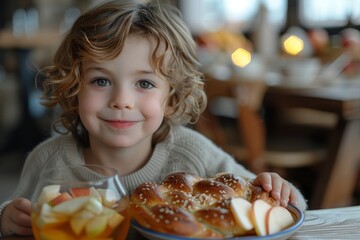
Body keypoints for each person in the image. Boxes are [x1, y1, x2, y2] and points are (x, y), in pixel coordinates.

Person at [0, 0, 308, 238]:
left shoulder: (193, 153)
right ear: (73, 88)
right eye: (101, 81)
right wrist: (7, 218)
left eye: (144, 83)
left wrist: (282, 191)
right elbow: (11, 215)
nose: (122, 100)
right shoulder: (48, 161)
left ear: (172, 98)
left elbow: (271, 208)